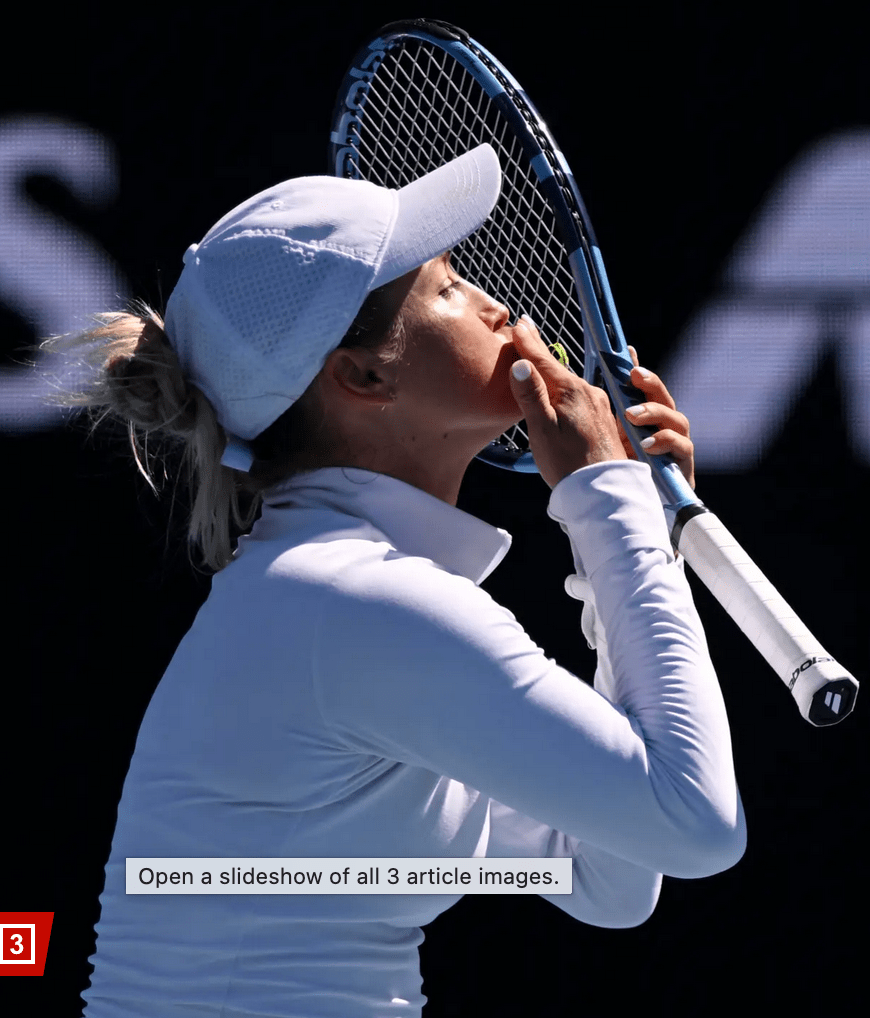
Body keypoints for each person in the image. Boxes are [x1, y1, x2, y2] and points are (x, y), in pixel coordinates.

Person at [58, 143, 745, 1017]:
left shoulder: (337, 598)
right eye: (451, 288)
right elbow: (697, 825)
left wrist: (625, 528)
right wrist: (610, 508)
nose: (500, 308)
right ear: (363, 375)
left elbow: (608, 874)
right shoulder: (353, 602)